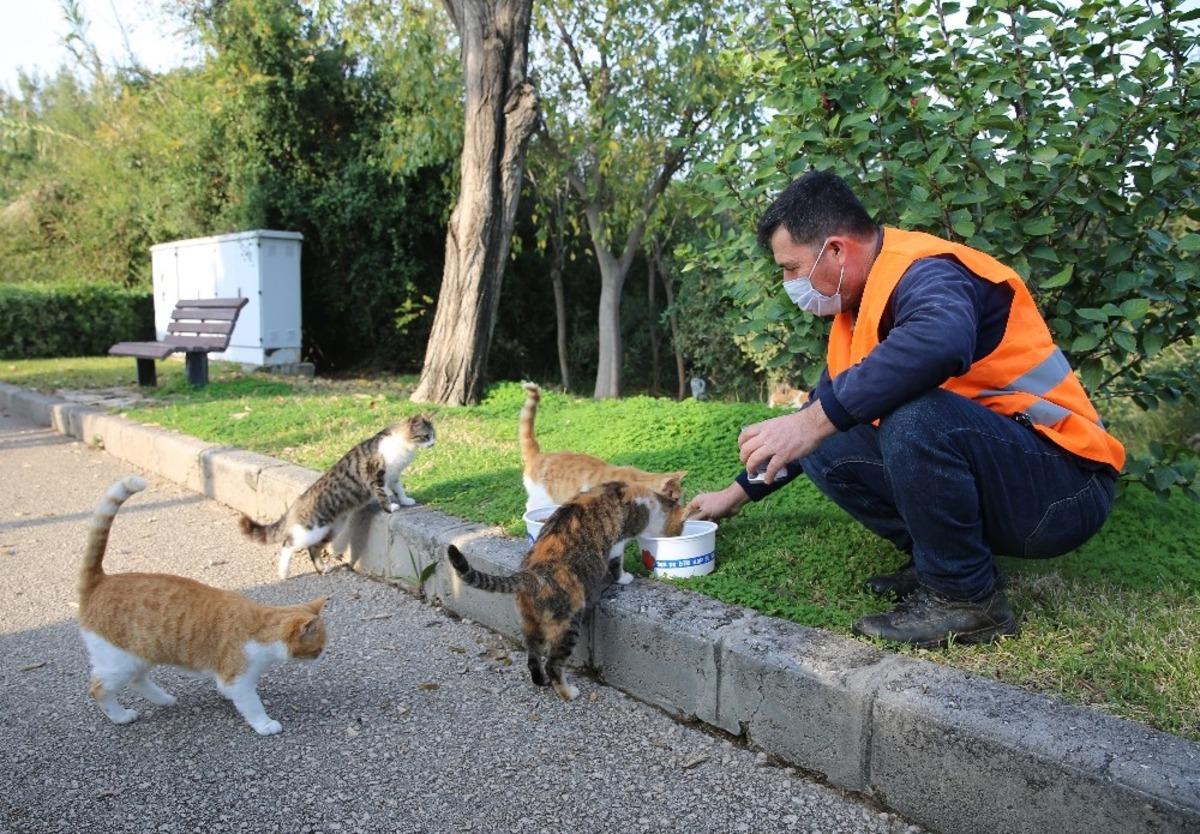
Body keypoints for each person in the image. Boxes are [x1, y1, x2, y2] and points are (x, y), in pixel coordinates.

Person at [686, 171, 1124, 648]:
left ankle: (967, 599)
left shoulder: (926, 271)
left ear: (835, 250)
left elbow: (940, 342)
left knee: (909, 417)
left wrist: (813, 421)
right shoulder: (859, 310)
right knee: (824, 438)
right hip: (1014, 477)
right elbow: (819, 416)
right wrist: (730, 496)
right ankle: (939, 560)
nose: (788, 283)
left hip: (1065, 487)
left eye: (791, 268)